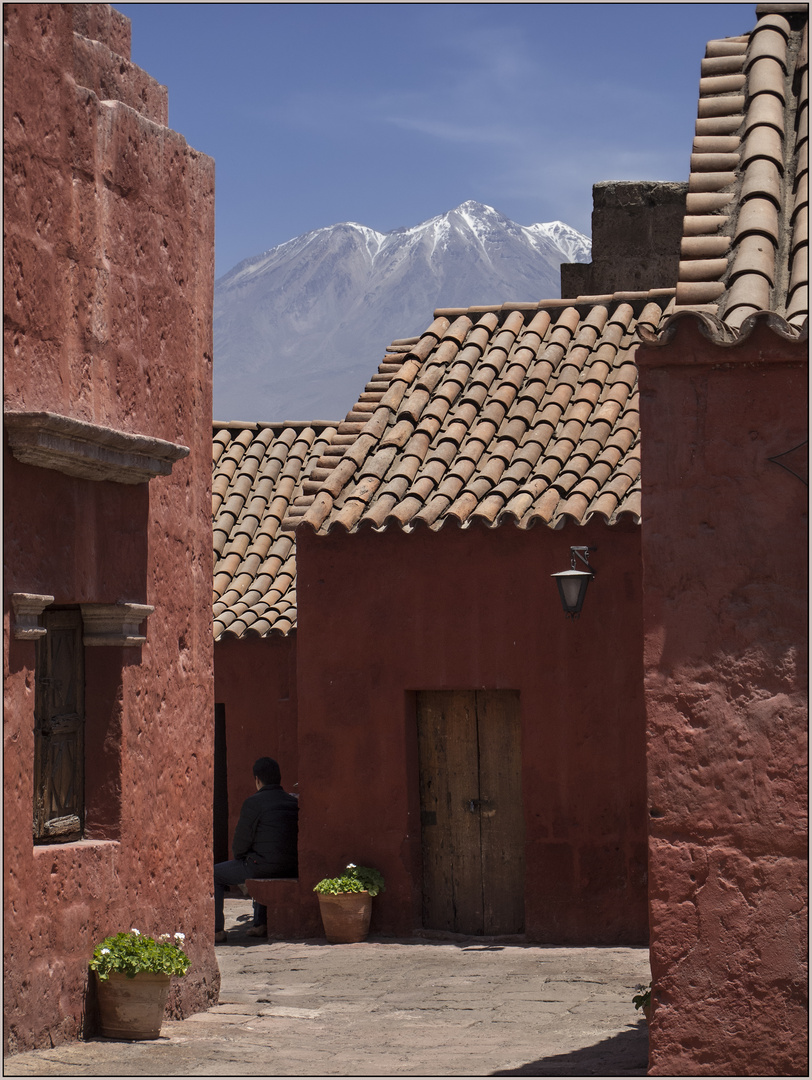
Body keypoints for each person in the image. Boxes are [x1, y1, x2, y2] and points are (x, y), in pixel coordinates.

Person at [214, 757, 298, 941]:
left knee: (215, 874)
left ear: (257, 780)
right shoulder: (293, 802)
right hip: (291, 866)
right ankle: (260, 923)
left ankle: (216, 930)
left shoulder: (253, 803)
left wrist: (241, 857)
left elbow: (240, 842)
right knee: (262, 857)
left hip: (262, 866)